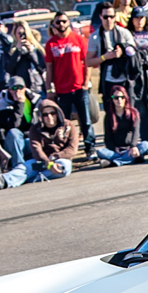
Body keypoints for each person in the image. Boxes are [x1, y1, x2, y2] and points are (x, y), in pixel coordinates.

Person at [43, 13, 94, 154]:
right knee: (63, 123)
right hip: (61, 90)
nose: (61, 24)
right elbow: (49, 68)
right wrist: (49, 89)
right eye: (58, 22)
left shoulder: (79, 40)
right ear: (53, 25)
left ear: (68, 22)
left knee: (86, 121)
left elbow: (87, 63)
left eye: (64, 21)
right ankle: (65, 150)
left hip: (79, 87)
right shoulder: (51, 44)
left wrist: (86, 82)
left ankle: (90, 148)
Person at [24, 97, 78, 178]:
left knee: (64, 167)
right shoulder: (34, 129)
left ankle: (33, 178)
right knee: (24, 167)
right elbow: (36, 150)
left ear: (58, 113)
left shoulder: (69, 125)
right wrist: (48, 162)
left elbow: (72, 149)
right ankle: (4, 180)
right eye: (45, 115)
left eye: (52, 113)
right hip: (42, 160)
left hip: (61, 159)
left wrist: (54, 157)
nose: (49, 117)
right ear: (40, 116)